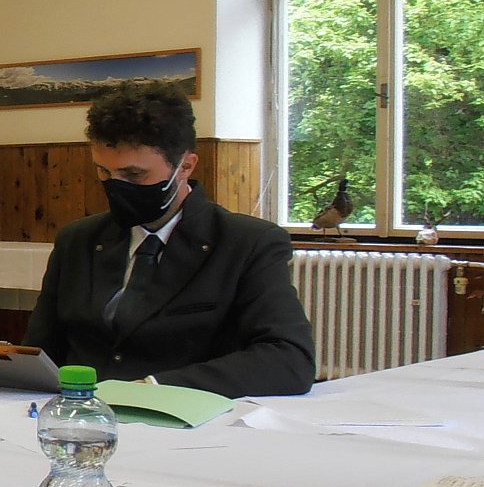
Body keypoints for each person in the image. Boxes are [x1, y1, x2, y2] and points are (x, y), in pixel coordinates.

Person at [24, 81, 315, 398]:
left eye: (134, 175)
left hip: (183, 414)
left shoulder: (247, 244)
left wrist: (154, 388)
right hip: (80, 412)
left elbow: (289, 359)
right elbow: (40, 351)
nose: (116, 187)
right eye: (104, 173)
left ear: (185, 166)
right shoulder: (77, 240)